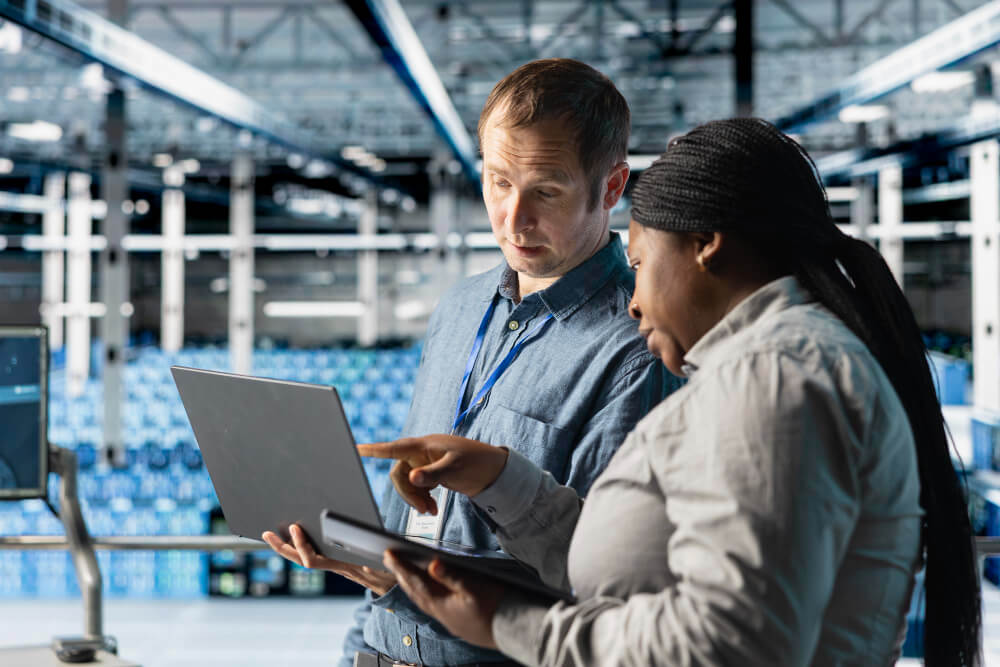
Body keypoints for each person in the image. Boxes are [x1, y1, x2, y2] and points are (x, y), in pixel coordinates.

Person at [364, 118, 983, 666]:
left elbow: (733, 645)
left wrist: (511, 625)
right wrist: (501, 478)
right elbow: (642, 572)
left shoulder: (776, 377)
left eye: (638, 264)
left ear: (704, 245)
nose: (632, 301)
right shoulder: (754, 372)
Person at [263, 58, 676, 666]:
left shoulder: (637, 349)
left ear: (611, 188)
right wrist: (366, 608)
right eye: (498, 181)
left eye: (546, 191)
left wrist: (408, 586)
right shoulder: (460, 307)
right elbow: (403, 518)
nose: (513, 219)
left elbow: (602, 575)